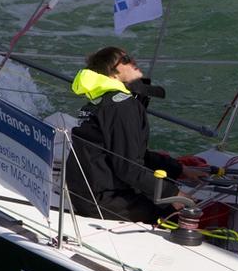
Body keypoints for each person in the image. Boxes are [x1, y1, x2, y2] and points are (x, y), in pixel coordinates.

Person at [66, 46, 202, 222]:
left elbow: (131, 154)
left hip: (86, 192)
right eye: (126, 60)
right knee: (176, 213)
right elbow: (128, 168)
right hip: (101, 200)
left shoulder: (104, 101)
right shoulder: (122, 106)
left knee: (165, 195)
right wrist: (174, 194)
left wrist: (179, 169)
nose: (133, 61)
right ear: (112, 74)